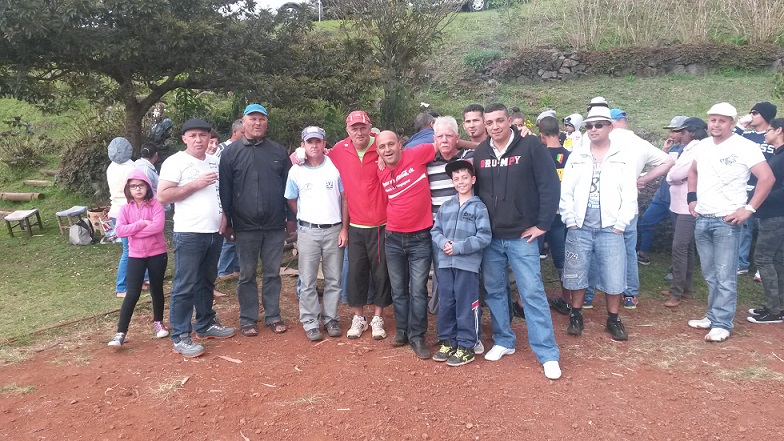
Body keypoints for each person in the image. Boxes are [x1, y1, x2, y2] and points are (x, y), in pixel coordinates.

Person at [473, 103, 562, 380]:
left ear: (509, 120)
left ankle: (547, 353)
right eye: (490, 122)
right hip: (491, 238)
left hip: (523, 236)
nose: (495, 126)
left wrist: (542, 225)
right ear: (485, 125)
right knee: (496, 291)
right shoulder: (480, 153)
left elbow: (550, 185)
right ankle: (504, 340)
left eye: (500, 120)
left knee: (532, 292)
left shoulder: (531, 147)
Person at [686, 102, 774, 342]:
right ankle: (712, 316)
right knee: (710, 274)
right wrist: (691, 198)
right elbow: (692, 172)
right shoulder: (703, 146)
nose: (716, 124)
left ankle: (723, 323)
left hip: (727, 220)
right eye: (713, 120)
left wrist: (749, 208)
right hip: (702, 217)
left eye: (722, 120)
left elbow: (767, 178)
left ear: (732, 123)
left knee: (725, 275)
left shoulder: (744, 146)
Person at [582, 101, 674, 309]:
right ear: (623, 121)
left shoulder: (603, 139)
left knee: (594, 249)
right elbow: (668, 162)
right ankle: (630, 294)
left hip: (601, 202)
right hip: (628, 203)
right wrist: (644, 179)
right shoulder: (638, 142)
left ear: (610, 124)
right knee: (628, 249)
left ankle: (588, 295)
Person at [158, 118, 235, 358]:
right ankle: (181, 335)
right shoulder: (175, 162)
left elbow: (220, 193)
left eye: (203, 135)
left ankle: (205, 324)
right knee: (185, 285)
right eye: (193, 135)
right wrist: (195, 184)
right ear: (184, 139)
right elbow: (163, 196)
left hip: (214, 232)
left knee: (206, 282)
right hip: (189, 232)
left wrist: (224, 216)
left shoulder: (214, 161)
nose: (198, 140)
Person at [560, 104, 638, 342]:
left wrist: (621, 224)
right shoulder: (578, 156)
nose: (593, 129)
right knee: (576, 273)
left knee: (614, 276)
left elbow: (629, 194)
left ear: (610, 127)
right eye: (589, 126)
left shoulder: (623, 157)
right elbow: (567, 191)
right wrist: (570, 219)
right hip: (580, 227)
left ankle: (613, 319)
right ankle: (576, 314)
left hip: (610, 228)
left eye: (599, 125)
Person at [219, 104, 294, 337]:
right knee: (247, 274)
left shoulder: (278, 152)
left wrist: (290, 218)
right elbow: (225, 190)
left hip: (274, 225)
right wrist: (228, 221)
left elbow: (289, 188)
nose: (257, 123)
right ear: (243, 122)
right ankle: (248, 318)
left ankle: (273, 315)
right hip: (244, 226)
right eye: (252, 119)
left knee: (272, 273)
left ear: (266, 123)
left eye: (262, 119)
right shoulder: (230, 153)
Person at [329, 110, 392, 339]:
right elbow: (315, 157)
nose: (359, 132)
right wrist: (298, 155)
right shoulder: (339, 151)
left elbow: (401, 153)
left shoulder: (382, 146)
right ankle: (358, 317)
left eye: (363, 127)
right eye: (354, 128)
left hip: (382, 224)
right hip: (355, 225)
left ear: (370, 128)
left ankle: (378, 317)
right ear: (347, 130)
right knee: (355, 273)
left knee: (381, 273)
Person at [376, 130, 439, 358]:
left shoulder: (418, 154)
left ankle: (418, 336)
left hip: (420, 237)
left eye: (391, 144)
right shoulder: (379, 168)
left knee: (419, 290)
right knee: (399, 290)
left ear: (400, 144)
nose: (387, 150)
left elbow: (444, 142)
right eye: (382, 147)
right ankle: (402, 331)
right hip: (393, 237)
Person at [285, 126, 347, 341]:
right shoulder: (296, 170)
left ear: (324, 143)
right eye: (309, 142)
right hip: (308, 230)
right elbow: (291, 199)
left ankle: (331, 318)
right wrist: (305, 217)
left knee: (333, 279)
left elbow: (344, 198)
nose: (314, 145)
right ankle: (310, 321)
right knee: (308, 279)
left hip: (334, 230)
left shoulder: (334, 166)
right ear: (303, 145)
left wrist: (344, 228)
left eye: (318, 141)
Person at [431, 160, 491, 366]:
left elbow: (484, 237)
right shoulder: (446, 206)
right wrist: (443, 242)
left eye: (464, 177)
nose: (460, 182)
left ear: (473, 179)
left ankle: (467, 344)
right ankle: (448, 340)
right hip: (445, 264)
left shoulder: (479, 207)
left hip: (467, 265)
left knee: (467, 303)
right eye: (456, 179)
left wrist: (458, 247)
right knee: (447, 302)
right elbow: (435, 231)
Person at [108, 170, 168, 347]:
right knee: (132, 292)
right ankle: (121, 332)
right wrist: (141, 224)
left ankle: (158, 322)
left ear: (147, 187)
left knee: (156, 288)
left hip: (157, 253)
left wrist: (133, 231)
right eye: (133, 186)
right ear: (128, 189)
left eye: (141, 185)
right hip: (136, 255)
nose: (138, 189)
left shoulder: (156, 205)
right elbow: (119, 231)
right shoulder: (125, 209)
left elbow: (158, 227)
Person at [662, 117, 708, 307]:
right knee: (686, 247)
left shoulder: (697, 148)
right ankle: (684, 287)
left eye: (684, 131)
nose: (680, 134)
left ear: (693, 132)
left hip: (688, 205)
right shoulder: (690, 148)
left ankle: (677, 292)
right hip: (681, 203)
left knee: (680, 246)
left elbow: (675, 174)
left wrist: (673, 176)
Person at [636, 115, 689, 265]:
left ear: (685, 131)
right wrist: (664, 150)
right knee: (647, 221)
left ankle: (677, 267)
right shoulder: (674, 147)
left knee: (680, 235)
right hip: (663, 194)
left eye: (675, 131)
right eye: (671, 130)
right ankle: (643, 253)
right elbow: (662, 166)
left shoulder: (691, 150)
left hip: (679, 198)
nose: (671, 134)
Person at [747, 117, 784, 323]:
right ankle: (776, 307)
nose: (765, 133)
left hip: (775, 215)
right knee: (778, 259)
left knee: (763, 258)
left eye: (769, 130)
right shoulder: (778, 155)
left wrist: (759, 197)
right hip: (773, 214)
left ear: (779, 130)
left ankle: (773, 310)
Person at [734, 102, 777, 277]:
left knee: (765, 229)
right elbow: (729, 142)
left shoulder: (773, 137)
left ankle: (763, 265)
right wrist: (740, 125)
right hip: (746, 188)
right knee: (744, 227)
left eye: (755, 113)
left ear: (765, 116)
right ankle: (741, 263)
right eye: (750, 112)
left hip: (768, 189)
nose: (751, 116)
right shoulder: (748, 135)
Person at [106, 137, 137, 298]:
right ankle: (121, 287)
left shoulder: (110, 167)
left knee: (138, 248)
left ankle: (144, 279)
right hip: (128, 212)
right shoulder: (132, 168)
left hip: (115, 212)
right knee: (130, 250)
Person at [215, 120, 244, 282]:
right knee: (229, 236)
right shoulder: (222, 150)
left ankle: (236, 267)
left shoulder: (243, 148)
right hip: (226, 197)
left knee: (239, 235)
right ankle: (224, 269)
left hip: (239, 199)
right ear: (235, 132)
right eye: (242, 133)